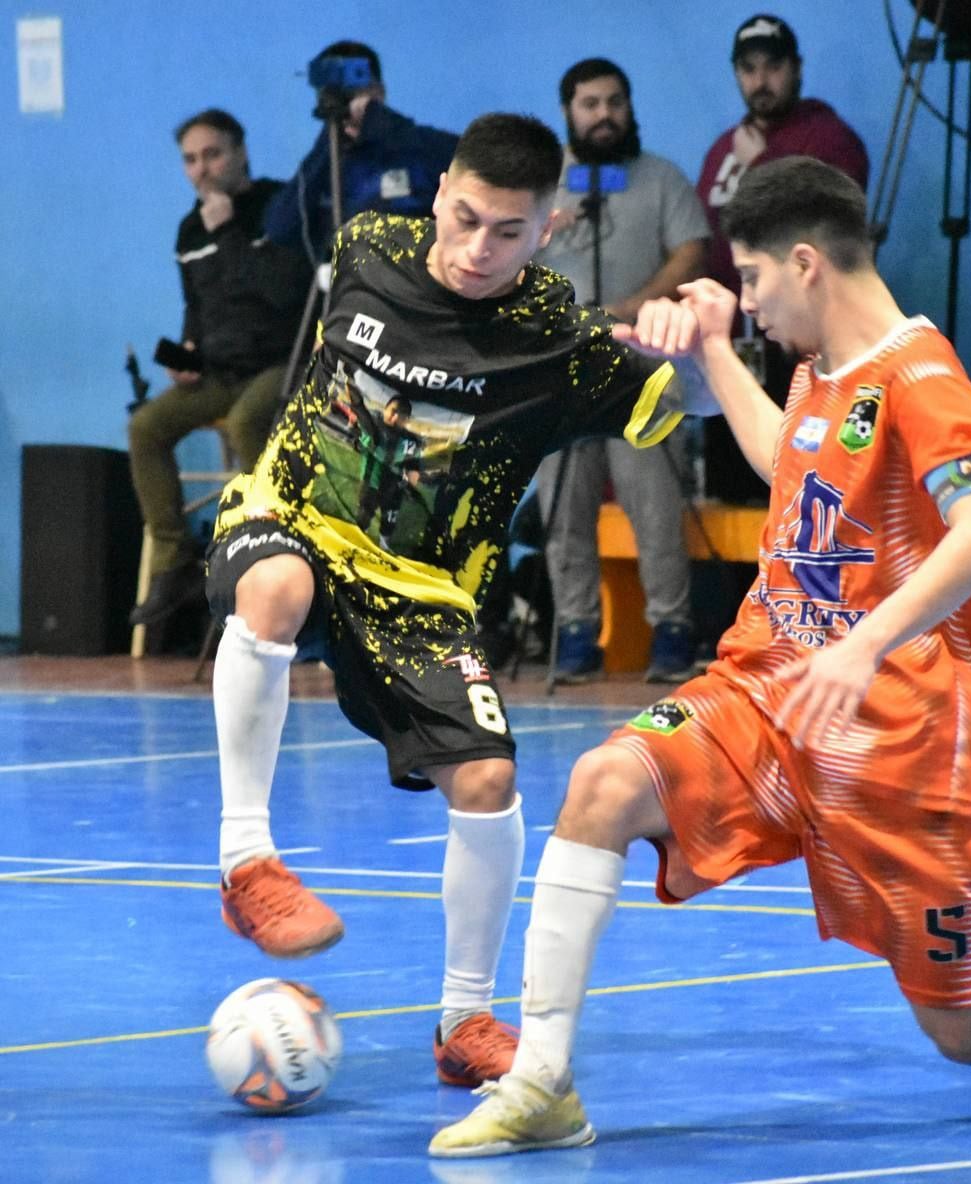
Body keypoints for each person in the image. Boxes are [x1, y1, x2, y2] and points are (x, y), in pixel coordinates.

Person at [429, 157, 971, 1157]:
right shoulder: (820, 371)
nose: (747, 301)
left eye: (751, 280)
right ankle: (542, 1082)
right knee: (604, 781)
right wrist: (712, 350)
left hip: (895, 733)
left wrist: (865, 642)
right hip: (769, 686)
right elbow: (795, 466)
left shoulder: (922, 381)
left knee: (970, 1025)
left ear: (805, 262)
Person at [204, 113, 714, 1091]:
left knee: (486, 781)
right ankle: (247, 863)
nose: (477, 248)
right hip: (294, 512)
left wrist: (688, 347)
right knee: (273, 586)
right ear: (440, 191)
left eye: (507, 232)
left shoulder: (554, 343)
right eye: (466, 217)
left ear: (549, 228)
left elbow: (680, 403)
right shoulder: (367, 248)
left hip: (421, 588)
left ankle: (463, 1018)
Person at [535, 57, 710, 683]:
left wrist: (630, 308)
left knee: (657, 505)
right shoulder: (542, 185)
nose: (604, 114)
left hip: (643, 368)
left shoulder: (660, 178)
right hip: (561, 369)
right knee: (563, 504)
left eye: (615, 101)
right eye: (590, 104)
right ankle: (577, 633)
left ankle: (672, 630)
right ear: (568, 112)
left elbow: (692, 249)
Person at [127, 109, 311, 629]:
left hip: (283, 362)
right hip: (217, 371)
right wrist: (184, 356)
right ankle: (176, 563)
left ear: (241, 152)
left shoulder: (277, 207)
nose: (201, 169)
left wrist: (230, 228)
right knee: (145, 426)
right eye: (190, 159)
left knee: (250, 419)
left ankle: (273, 555)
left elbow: (283, 296)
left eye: (213, 154)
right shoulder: (189, 230)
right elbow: (196, 309)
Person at [695, 13, 870, 503]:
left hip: (800, 346)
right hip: (737, 347)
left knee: (799, 487)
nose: (760, 80)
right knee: (731, 495)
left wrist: (760, 164)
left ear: (796, 67)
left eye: (772, 66)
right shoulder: (722, 150)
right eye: (748, 68)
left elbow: (829, 224)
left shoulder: (828, 139)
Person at [263, 40, 459, 264]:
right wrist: (328, 138)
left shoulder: (420, 146)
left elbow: (464, 165)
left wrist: (381, 121)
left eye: (354, 86)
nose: (344, 97)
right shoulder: (325, 160)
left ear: (379, 91)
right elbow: (280, 228)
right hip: (348, 288)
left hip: (412, 282)